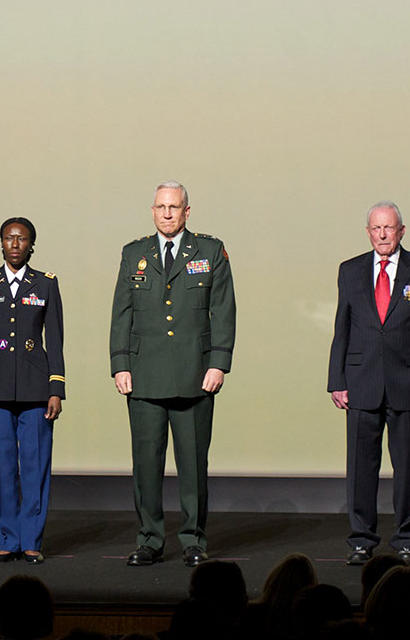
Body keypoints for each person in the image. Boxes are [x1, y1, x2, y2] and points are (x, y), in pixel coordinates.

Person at [109, 181, 236, 568]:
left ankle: (193, 539)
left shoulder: (210, 250)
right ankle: (149, 539)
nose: (167, 214)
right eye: (161, 207)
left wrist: (219, 362)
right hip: (144, 377)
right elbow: (122, 313)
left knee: (194, 466)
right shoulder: (134, 254)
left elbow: (223, 310)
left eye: (174, 207)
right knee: (146, 466)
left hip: (194, 376)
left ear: (187, 211)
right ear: (152, 211)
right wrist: (120, 364)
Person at [327, 201, 410, 565]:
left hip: (408, 382)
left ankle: (407, 540)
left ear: (401, 231)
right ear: (367, 232)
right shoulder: (350, 271)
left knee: (409, 468)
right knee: (361, 467)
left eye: (388, 228)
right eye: (376, 229)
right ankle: (361, 540)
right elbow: (341, 328)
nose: (382, 235)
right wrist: (336, 381)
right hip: (360, 382)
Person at [0, 216, 64, 564]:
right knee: (2, 466)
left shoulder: (46, 285)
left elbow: (55, 340)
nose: (15, 244)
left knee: (35, 466)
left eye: (21, 239)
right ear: (1, 243)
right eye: (9, 238)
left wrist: (57, 388)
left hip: (37, 388)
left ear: (31, 245)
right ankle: (7, 540)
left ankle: (32, 540)